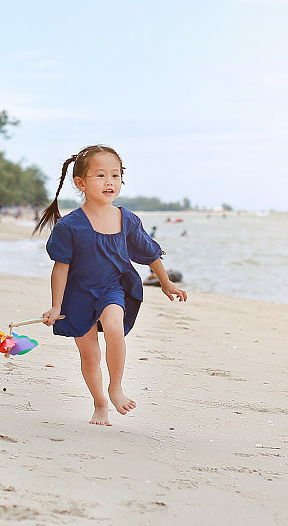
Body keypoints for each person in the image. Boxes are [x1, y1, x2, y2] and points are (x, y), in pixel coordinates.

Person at [33, 144, 187, 426]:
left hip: (112, 288)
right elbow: (61, 268)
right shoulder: (70, 226)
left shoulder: (126, 219)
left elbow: (149, 252)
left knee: (115, 327)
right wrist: (56, 305)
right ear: (80, 183)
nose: (110, 182)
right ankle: (100, 403)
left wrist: (165, 283)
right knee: (90, 356)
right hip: (77, 295)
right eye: (100, 175)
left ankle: (115, 387)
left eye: (115, 176)